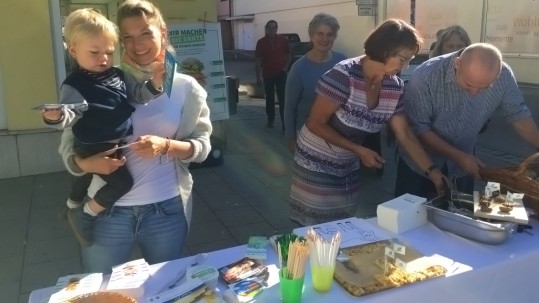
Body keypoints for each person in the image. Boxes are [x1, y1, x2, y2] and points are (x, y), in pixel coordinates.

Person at [59, 0, 212, 274]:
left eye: (145, 33)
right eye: (127, 37)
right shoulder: (101, 82)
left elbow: (202, 147)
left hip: (166, 211)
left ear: (162, 33)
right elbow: (69, 146)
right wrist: (85, 165)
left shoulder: (186, 87)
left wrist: (166, 146)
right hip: (107, 213)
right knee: (100, 290)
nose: (137, 44)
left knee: (164, 288)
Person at [289, 19, 445, 226]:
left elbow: (404, 134)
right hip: (315, 161)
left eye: (409, 60)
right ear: (385, 49)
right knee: (314, 229)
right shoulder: (344, 75)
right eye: (402, 59)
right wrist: (359, 150)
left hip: (348, 164)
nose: (405, 67)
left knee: (343, 225)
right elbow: (315, 123)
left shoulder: (394, 86)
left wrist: (433, 172)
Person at [42, 8, 164, 247]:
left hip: (114, 143)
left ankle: (71, 206)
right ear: (73, 50)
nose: (104, 59)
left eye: (109, 52)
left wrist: (156, 83)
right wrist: (55, 116)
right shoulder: (74, 84)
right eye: (95, 52)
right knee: (122, 184)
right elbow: (68, 115)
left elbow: (138, 96)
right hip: (91, 143)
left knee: (85, 177)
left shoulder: (118, 75)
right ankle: (85, 214)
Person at [395, 43, 539, 199]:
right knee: (408, 216)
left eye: (485, 88)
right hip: (420, 165)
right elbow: (420, 129)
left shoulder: (504, 75)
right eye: (469, 85)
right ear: (458, 63)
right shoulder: (426, 75)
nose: (474, 94)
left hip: (463, 169)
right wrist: (459, 157)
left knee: (461, 217)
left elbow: (518, 114)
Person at [284, 13, 346, 153]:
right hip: (309, 135)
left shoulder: (342, 62)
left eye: (330, 34)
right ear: (311, 36)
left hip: (339, 136)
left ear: (335, 37)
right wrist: (290, 138)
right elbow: (289, 107)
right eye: (320, 34)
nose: (325, 39)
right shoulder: (299, 68)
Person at [255, 20, 291, 130]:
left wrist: (285, 68)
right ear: (266, 29)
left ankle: (285, 125)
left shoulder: (283, 40)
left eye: (274, 28)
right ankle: (270, 120)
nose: (271, 30)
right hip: (268, 75)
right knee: (269, 99)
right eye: (269, 28)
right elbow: (257, 61)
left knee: (283, 99)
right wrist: (258, 77)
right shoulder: (261, 42)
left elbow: (289, 54)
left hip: (280, 74)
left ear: (277, 29)